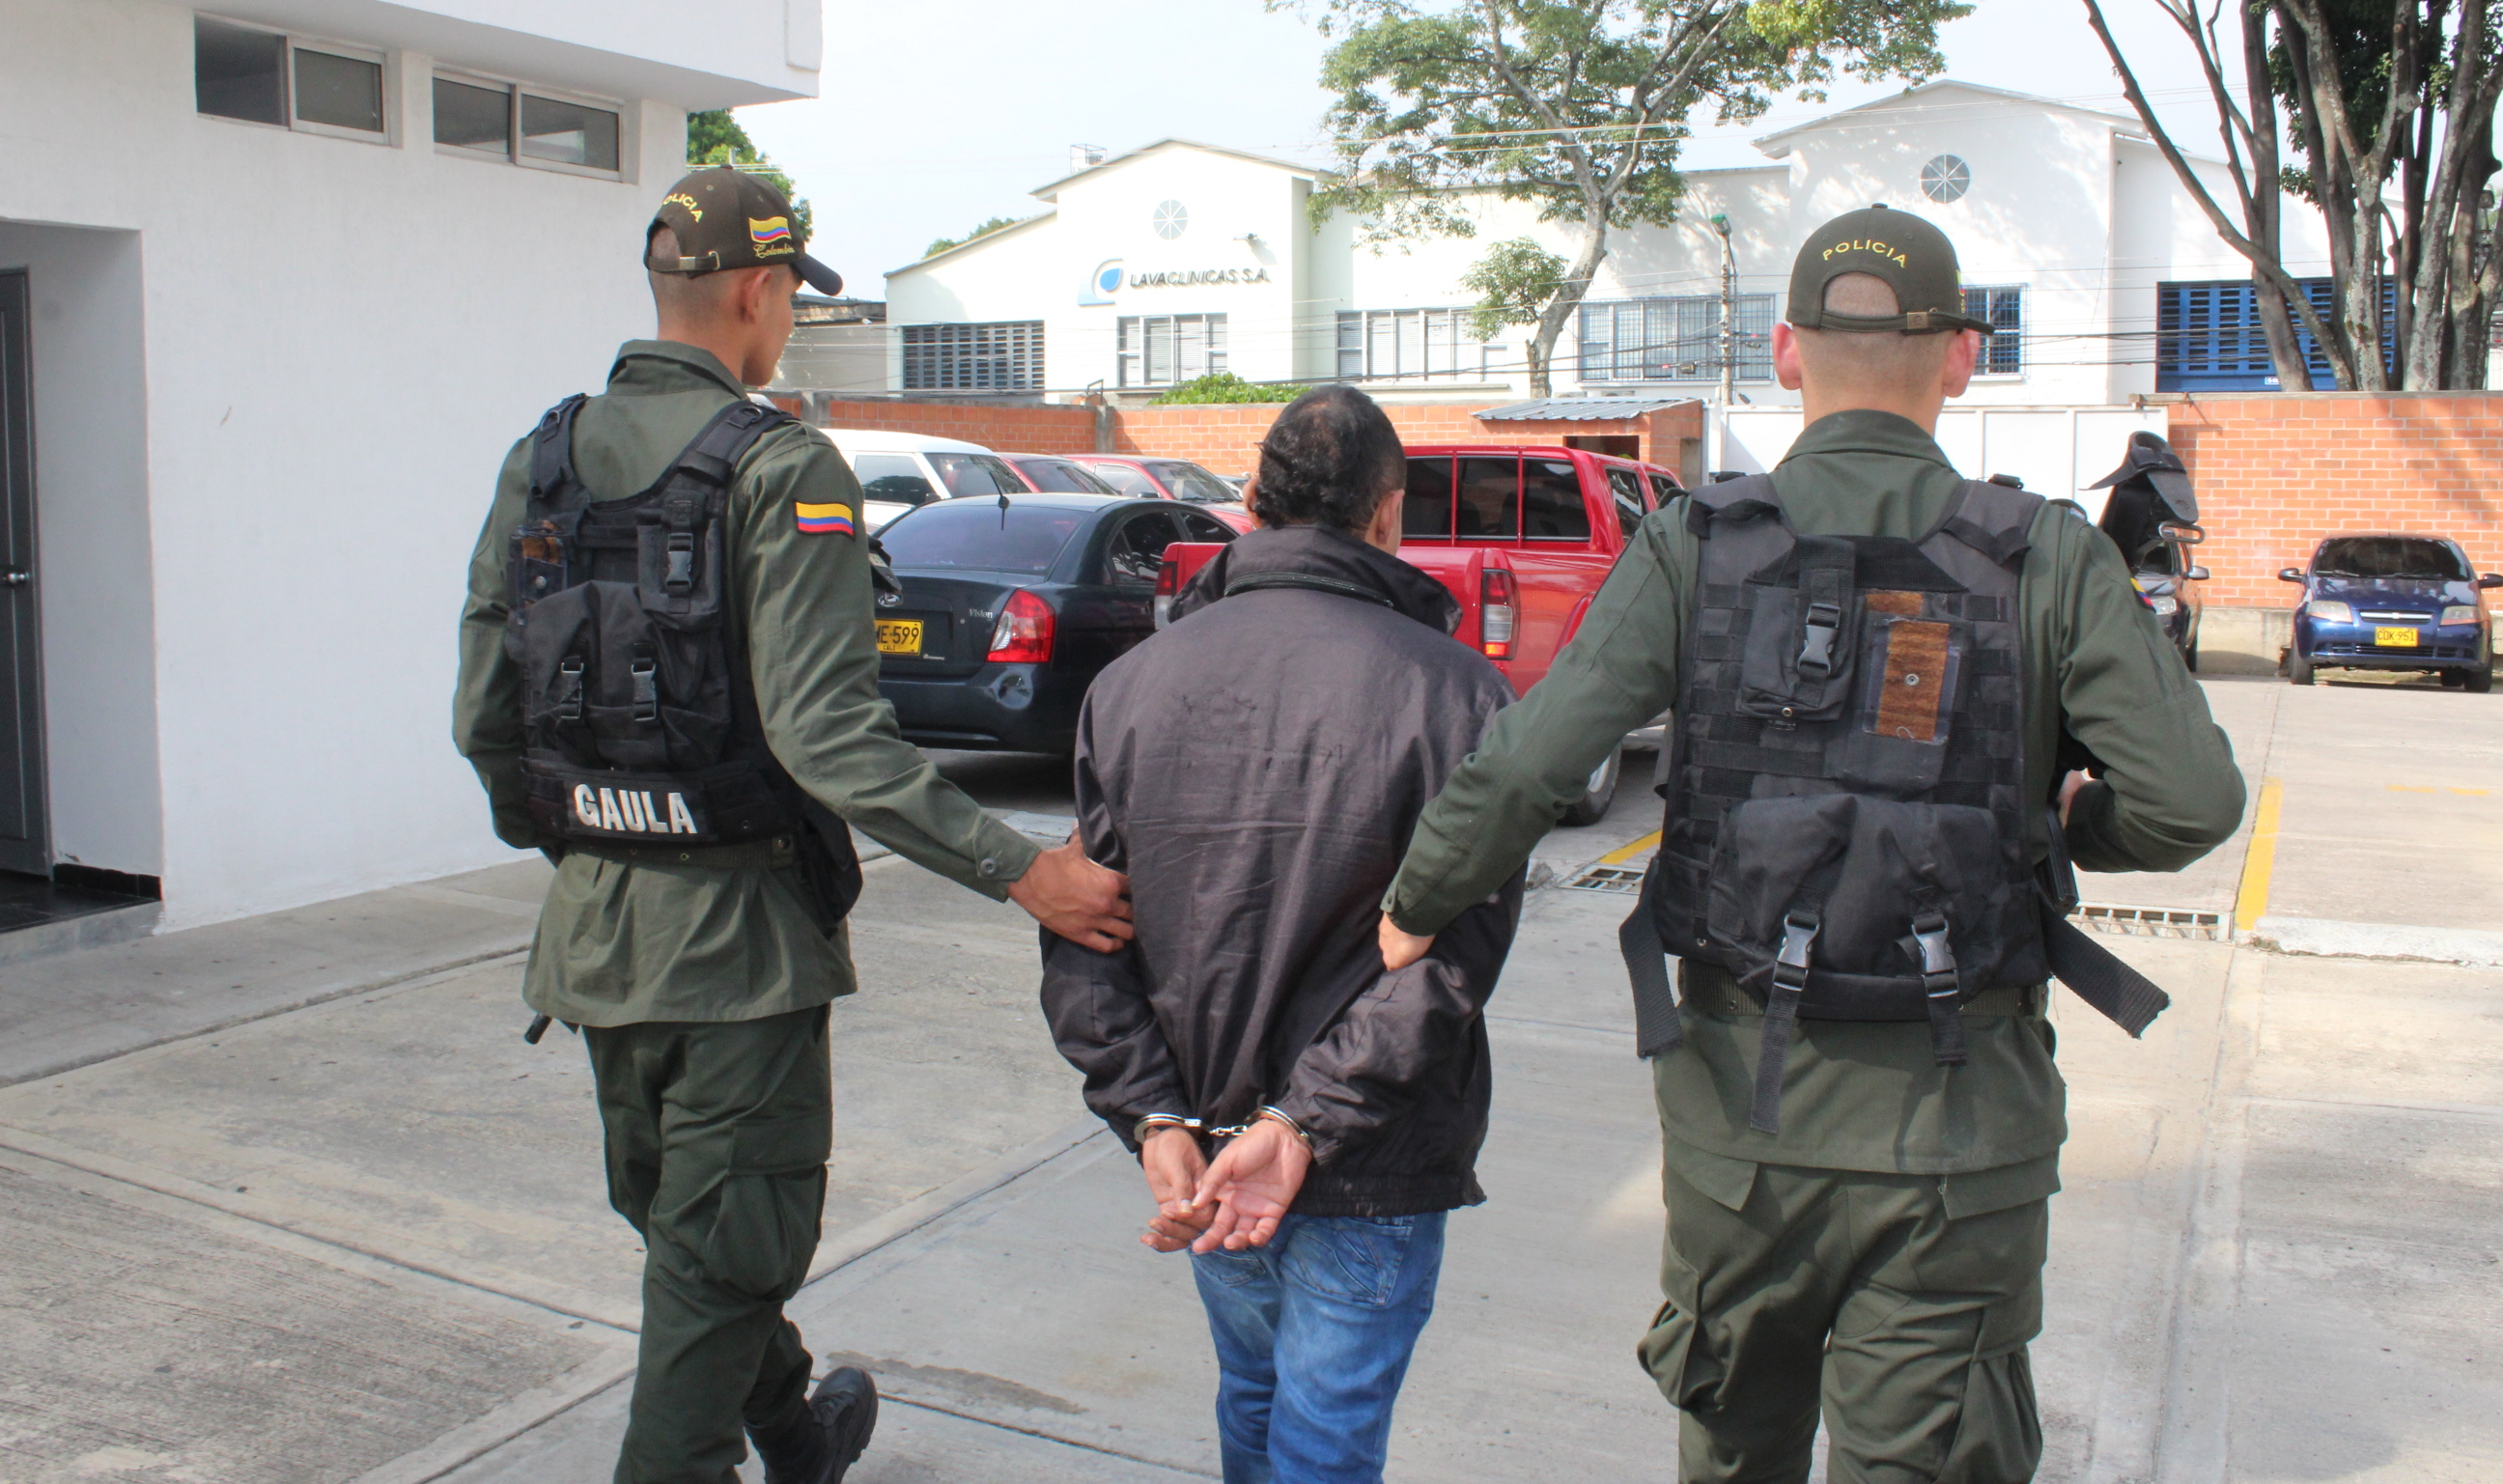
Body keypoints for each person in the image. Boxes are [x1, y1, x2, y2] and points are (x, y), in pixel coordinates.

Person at [1374, 206, 2246, 1483]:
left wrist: (1415, 903)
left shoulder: (1695, 544)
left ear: (1787, 351)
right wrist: (2079, 824)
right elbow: (2194, 801)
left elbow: (1528, 763)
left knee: (1735, 1451)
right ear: (1961, 356)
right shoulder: (2043, 555)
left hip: (1746, 1133)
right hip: (1965, 1138)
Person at [451, 166, 1133, 1484]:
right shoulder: (782, 467)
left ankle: (794, 1433)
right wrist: (1025, 870)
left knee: (688, 1238)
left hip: (596, 937)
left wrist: (595, 847)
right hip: (738, 956)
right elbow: (832, 739)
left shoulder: (540, 461)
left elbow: (489, 718)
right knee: (715, 1257)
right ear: (762, 292)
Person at [1040, 385, 1524, 1484]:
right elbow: (1455, 955)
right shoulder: (1455, 692)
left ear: (1251, 502)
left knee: (1258, 1404)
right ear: (1390, 515)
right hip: (1365, 1154)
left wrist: (1152, 1109)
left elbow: (1083, 924)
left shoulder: (1128, 685)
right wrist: (1302, 1122)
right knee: (1319, 1440)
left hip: (1212, 1141)